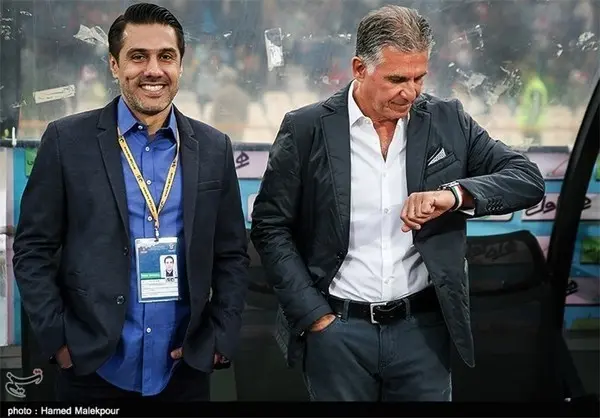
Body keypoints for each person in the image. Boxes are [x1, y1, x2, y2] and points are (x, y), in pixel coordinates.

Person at [250, 5, 545, 402]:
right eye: (397, 79)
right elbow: (270, 226)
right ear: (359, 68)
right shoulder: (305, 128)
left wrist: (453, 195)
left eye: (419, 77)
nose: (411, 92)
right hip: (336, 332)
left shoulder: (449, 120)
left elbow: (527, 179)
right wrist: (314, 316)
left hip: (423, 332)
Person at [13, 3, 249, 402]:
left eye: (166, 56)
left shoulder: (213, 148)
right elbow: (32, 249)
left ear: (181, 65)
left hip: (183, 370)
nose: (153, 70)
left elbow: (231, 256)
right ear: (114, 64)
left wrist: (219, 338)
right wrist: (59, 340)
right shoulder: (67, 141)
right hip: (93, 367)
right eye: (138, 56)